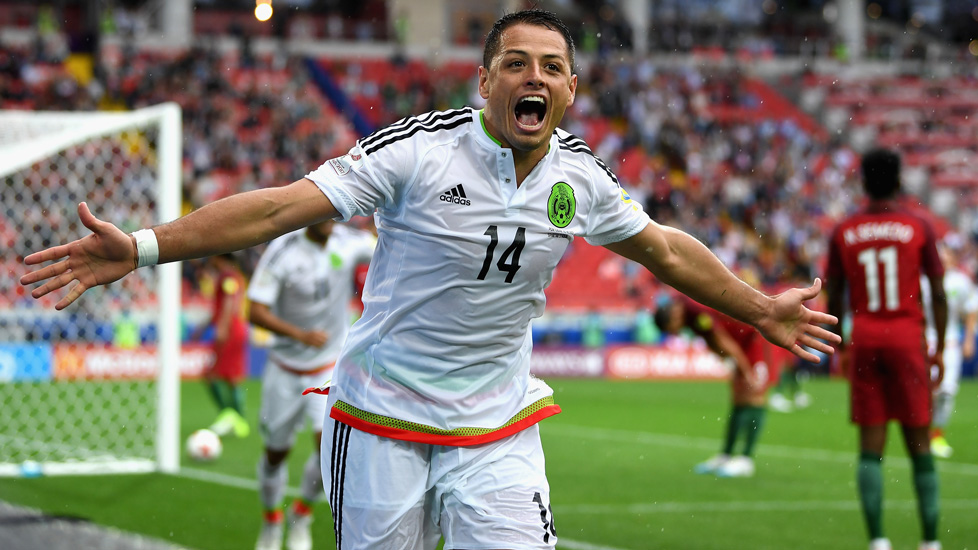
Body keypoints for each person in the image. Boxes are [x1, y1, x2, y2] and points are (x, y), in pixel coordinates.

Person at [22, 10, 839, 549]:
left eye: (552, 67)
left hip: (497, 429)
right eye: (515, 63)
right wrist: (143, 246)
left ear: (570, 90)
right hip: (381, 420)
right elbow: (277, 208)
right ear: (485, 81)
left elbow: (663, 249)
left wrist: (761, 307)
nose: (534, 78)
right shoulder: (418, 150)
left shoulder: (582, 179)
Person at [825, 148, 946, 550]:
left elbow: (836, 293)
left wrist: (840, 346)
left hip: (866, 338)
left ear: (862, 181)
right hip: (907, 338)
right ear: (898, 181)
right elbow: (939, 292)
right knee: (920, 446)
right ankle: (929, 542)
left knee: (870, 450)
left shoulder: (844, 230)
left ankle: (878, 540)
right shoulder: (918, 226)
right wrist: (940, 348)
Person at [248, 219, 376, 550]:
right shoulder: (282, 252)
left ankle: (301, 513)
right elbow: (256, 312)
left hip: (329, 367)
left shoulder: (349, 241)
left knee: (328, 449)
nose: (330, 220)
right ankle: (271, 521)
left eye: (334, 213)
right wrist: (300, 335)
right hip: (286, 368)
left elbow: (385, 243)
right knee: (277, 452)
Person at [654, 288, 777, 479]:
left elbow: (722, 339)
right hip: (740, 341)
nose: (676, 332)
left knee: (754, 395)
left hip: (752, 337)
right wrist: (730, 362)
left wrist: (744, 370)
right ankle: (726, 455)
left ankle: (746, 460)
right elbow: (711, 339)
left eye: (673, 329)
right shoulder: (686, 312)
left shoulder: (694, 311)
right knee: (738, 396)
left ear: (673, 317)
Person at [921, 234, 978, 459]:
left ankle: (936, 435)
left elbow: (971, 311)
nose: (943, 258)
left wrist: (969, 340)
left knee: (946, 391)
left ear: (953, 258)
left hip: (951, 344)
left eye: (946, 254)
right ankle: (924, 434)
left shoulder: (960, 282)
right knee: (927, 389)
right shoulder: (922, 281)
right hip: (925, 342)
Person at [199, 253, 251, 439]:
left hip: (230, 329)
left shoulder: (228, 276)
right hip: (234, 328)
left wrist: (222, 327)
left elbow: (229, 302)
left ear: (218, 258)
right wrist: (202, 328)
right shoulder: (233, 276)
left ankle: (233, 417)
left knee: (215, 375)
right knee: (225, 376)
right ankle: (234, 418)